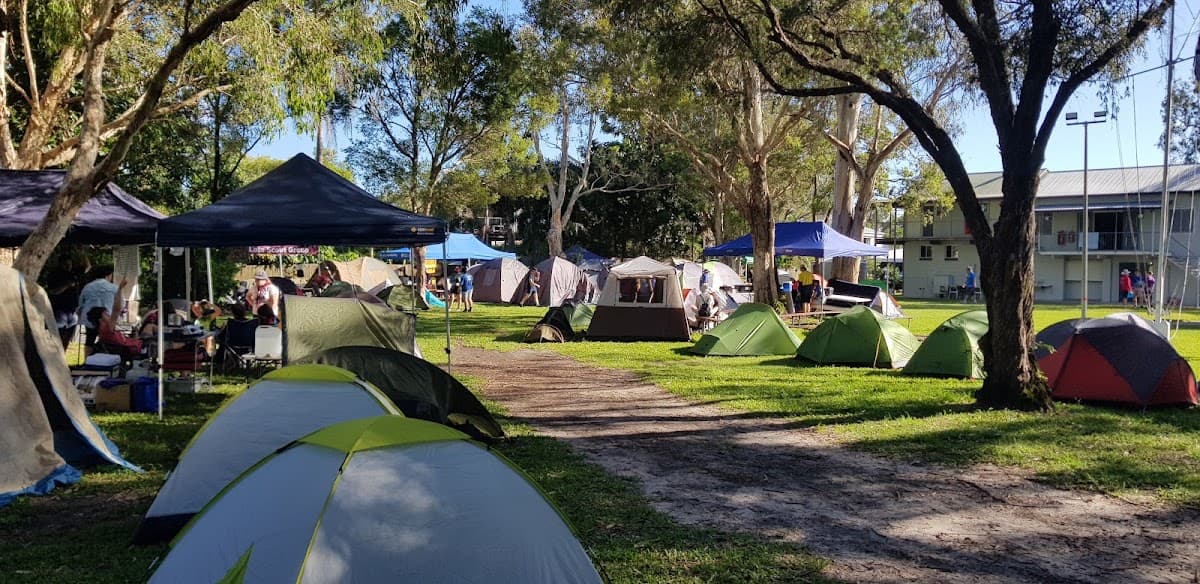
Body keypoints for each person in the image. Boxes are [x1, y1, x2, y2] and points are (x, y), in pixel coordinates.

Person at [44, 249, 90, 348]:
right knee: (58, 337)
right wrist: (67, 285)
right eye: (66, 264)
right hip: (59, 310)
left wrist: (82, 252)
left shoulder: (73, 273)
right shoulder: (54, 274)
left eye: (70, 264)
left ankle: (62, 357)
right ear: (60, 264)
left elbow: (87, 267)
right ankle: (55, 356)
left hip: (73, 310)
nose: (68, 266)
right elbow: (52, 291)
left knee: (68, 337)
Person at [87, 278, 142, 359]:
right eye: (105, 314)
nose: (109, 315)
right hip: (136, 349)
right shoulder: (107, 328)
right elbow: (116, 310)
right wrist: (120, 289)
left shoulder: (103, 331)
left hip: (133, 347)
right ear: (100, 319)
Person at [78, 265, 119, 352]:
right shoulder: (114, 288)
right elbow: (120, 305)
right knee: (108, 342)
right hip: (107, 319)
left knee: (89, 341)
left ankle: (87, 360)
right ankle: (105, 359)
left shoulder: (88, 286)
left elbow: (81, 303)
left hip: (90, 318)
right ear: (109, 275)